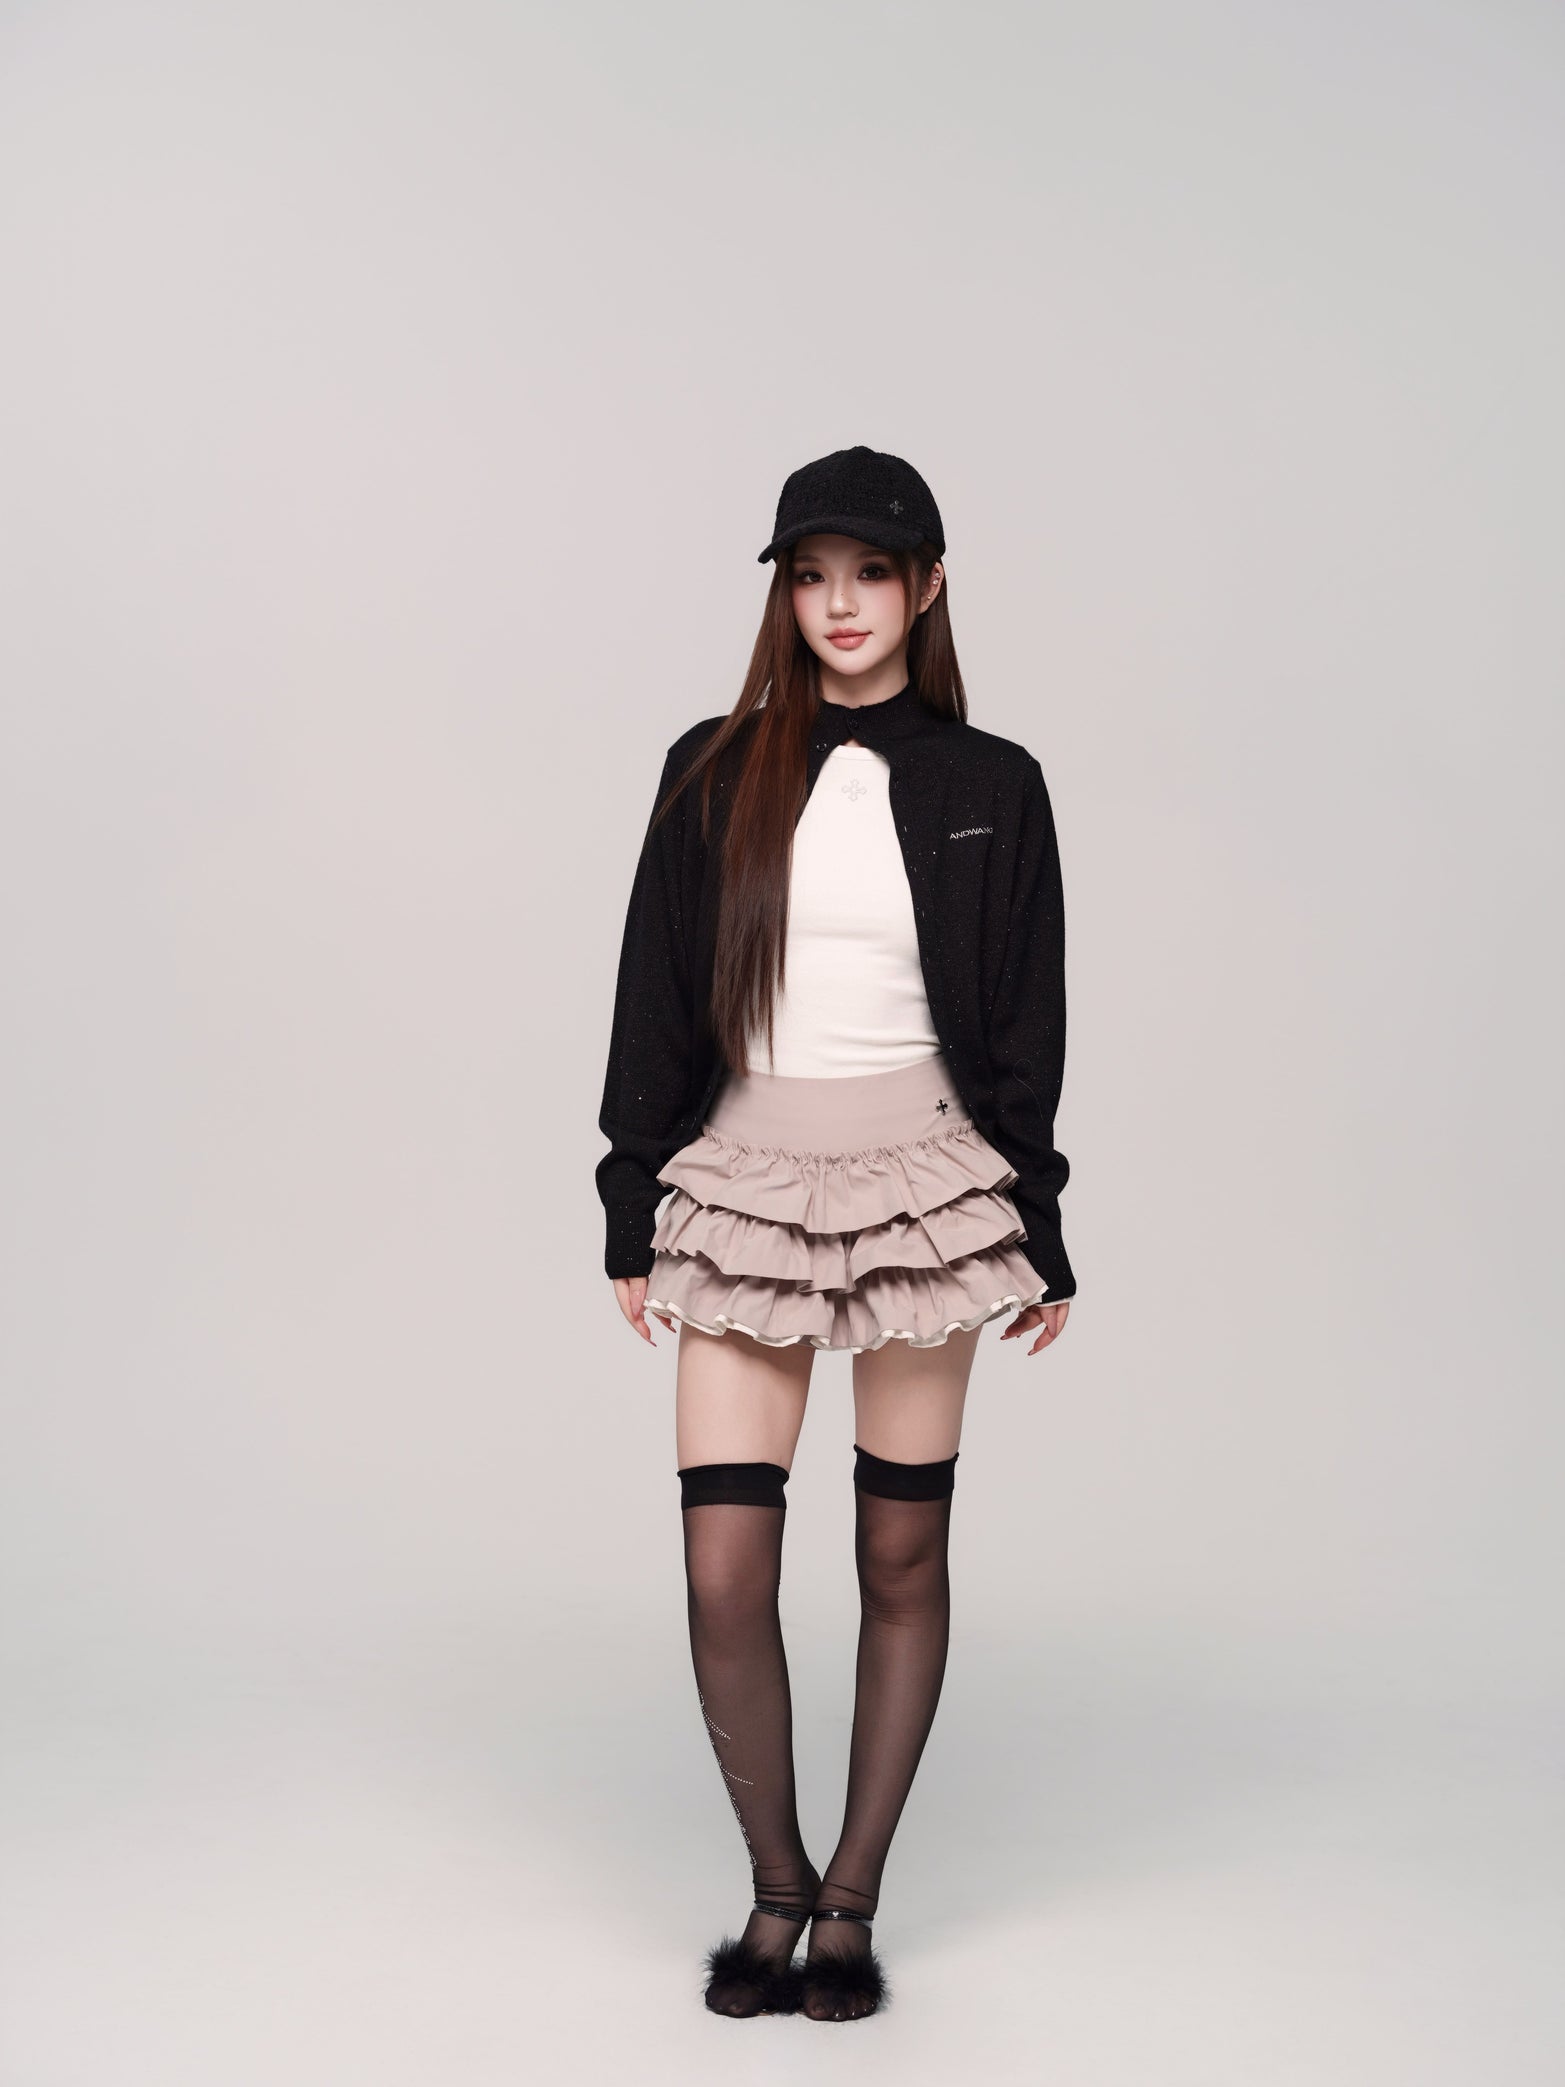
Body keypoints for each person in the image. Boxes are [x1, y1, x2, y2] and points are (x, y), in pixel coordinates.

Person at [595, 445, 1075, 2023]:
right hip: (745, 1178)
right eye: (810, 577)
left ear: (927, 588)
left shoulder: (992, 782)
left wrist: (1039, 1219)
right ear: (784, 596)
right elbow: (655, 992)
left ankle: (850, 1901)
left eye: (870, 573)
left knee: (897, 1547)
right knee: (724, 1566)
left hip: (923, 1184)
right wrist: (628, 1196)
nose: (840, 604)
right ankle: (773, 1884)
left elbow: (1024, 1019)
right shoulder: (710, 765)